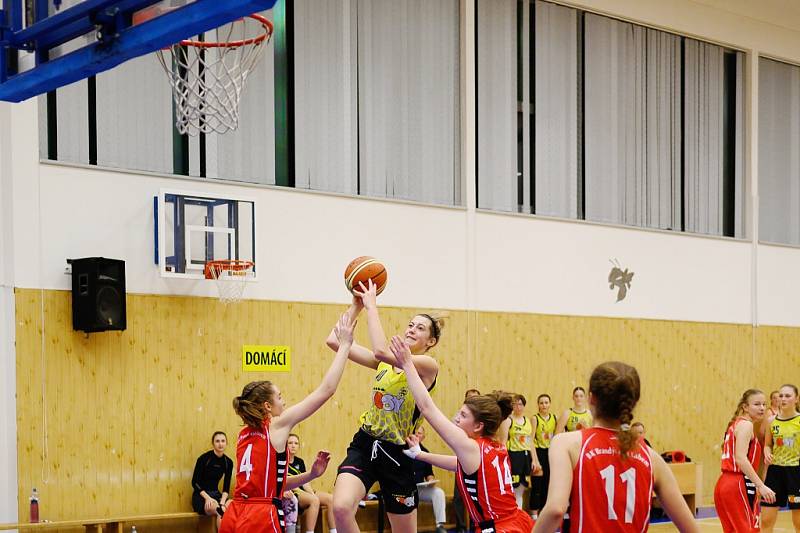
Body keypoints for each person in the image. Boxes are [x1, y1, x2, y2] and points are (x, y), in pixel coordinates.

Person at [220, 313, 356, 533]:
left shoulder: (244, 434)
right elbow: (326, 390)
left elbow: (274, 484)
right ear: (267, 406)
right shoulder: (276, 426)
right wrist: (345, 346)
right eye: (280, 396)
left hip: (235, 513)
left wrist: (311, 475)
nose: (284, 401)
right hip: (259, 515)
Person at [326, 282, 443, 533]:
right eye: (411, 324)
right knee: (341, 508)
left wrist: (372, 306)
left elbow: (380, 351)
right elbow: (335, 341)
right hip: (366, 443)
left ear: (431, 341)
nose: (412, 329)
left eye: (420, 328)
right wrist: (355, 307)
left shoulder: (428, 365)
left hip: (398, 453)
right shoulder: (385, 364)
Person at [389, 336, 533, 533]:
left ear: (478, 426)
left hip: (499, 527)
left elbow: (427, 408)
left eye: (463, 415)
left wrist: (407, 363)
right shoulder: (493, 445)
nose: (456, 418)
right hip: (516, 521)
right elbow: (457, 464)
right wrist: (420, 454)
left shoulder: (470, 446)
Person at [534, 361, 698, 533]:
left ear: (591, 398)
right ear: (634, 402)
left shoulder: (567, 443)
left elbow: (555, 510)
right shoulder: (652, 457)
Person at [714, 388, 776, 533]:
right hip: (738, 484)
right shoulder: (746, 425)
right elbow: (741, 459)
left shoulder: (736, 424)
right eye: (756, 404)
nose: (762, 408)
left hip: (724, 484)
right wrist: (761, 485)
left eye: (763, 404)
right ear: (745, 407)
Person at [762, 383, 800, 533]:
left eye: (787, 396)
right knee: (765, 520)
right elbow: (767, 445)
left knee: (798, 522)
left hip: (796, 473)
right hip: (775, 473)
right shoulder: (771, 421)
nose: (783, 399)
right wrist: (766, 452)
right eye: (781, 396)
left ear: (796, 399)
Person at [287, 433, 337, 533]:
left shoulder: (299, 461)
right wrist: (312, 497)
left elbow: (305, 481)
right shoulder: (282, 460)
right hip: (294, 491)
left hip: (303, 490)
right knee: (314, 500)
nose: (293, 445)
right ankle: (310, 531)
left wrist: (311, 493)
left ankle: (334, 531)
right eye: (290, 443)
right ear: (285, 445)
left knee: (331, 499)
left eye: (296, 443)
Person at [191, 431, 234, 527]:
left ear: (226, 443)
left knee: (232, 504)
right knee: (220, 511)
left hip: (216, 495)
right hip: (201, 497)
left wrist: (222, 502)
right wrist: (208, 498)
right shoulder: (204, 459)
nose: (220, 444)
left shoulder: (228, 462)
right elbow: (195, 482)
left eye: (223, 441)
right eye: (217, 441)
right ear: (213, 443)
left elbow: (226, 488)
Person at [454, 389, 481, 533]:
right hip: (461, 459)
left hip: (477, 462)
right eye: (470, 398)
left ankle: (475, 525)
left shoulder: (482, 420)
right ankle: (461, 527)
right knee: (459, 497)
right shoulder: (458, 417)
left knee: (476, 496)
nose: (472, 401)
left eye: (475, 398)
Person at [412, 425, 447, 533]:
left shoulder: (425, 452)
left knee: (438, 492)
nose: (417, 435)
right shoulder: (403, 450)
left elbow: (429, 473)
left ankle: (440, 525)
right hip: (405, 489)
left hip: (420, 488)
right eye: (415, 432)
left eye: (420, 433)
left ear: (423, 437)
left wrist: (431, 480)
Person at [507, 394, 540, 509]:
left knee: (521, 488)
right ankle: (512, 514)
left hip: (525, 456)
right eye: (515, 404)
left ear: (524, 406)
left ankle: (518, 514)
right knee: (512, 487)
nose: (518, 406)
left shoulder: (527, 421)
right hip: (513, 455)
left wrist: (534, 460)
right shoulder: (508, 420)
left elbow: (530, 441)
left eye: (520, 404)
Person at [529, 394, 556, 518]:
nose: (544, 405)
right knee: (537, 485)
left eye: (546, 402)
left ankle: (544, 512)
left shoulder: (554, 418)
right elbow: (530, 439)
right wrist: (534, 459)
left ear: (550, 404)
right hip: (538, 451)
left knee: (547, 484)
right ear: (538, 405)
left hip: (550, 452)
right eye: (541, 403)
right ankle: (534, 514)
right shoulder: (535, 419)